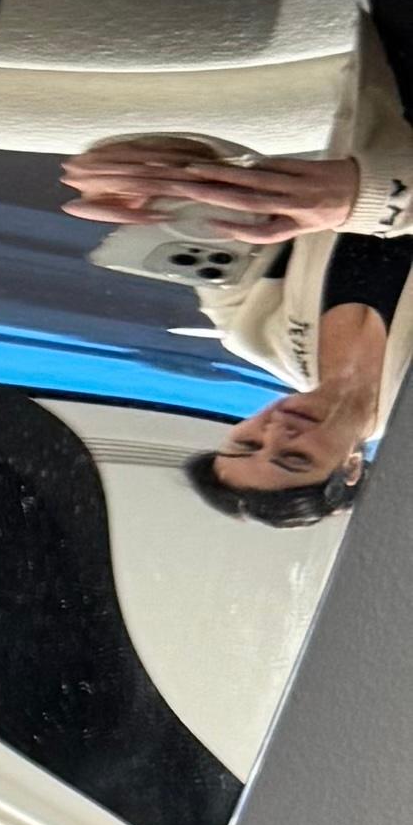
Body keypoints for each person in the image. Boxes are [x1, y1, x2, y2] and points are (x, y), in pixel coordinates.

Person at [65, 67, 413, 519]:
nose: (276, 432)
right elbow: (355, 196)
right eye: (295, 458)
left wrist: (158, 176)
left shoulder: (253, 331)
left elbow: (228, 197)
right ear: (351, 467)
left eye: (247, 442)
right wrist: (369, 199)